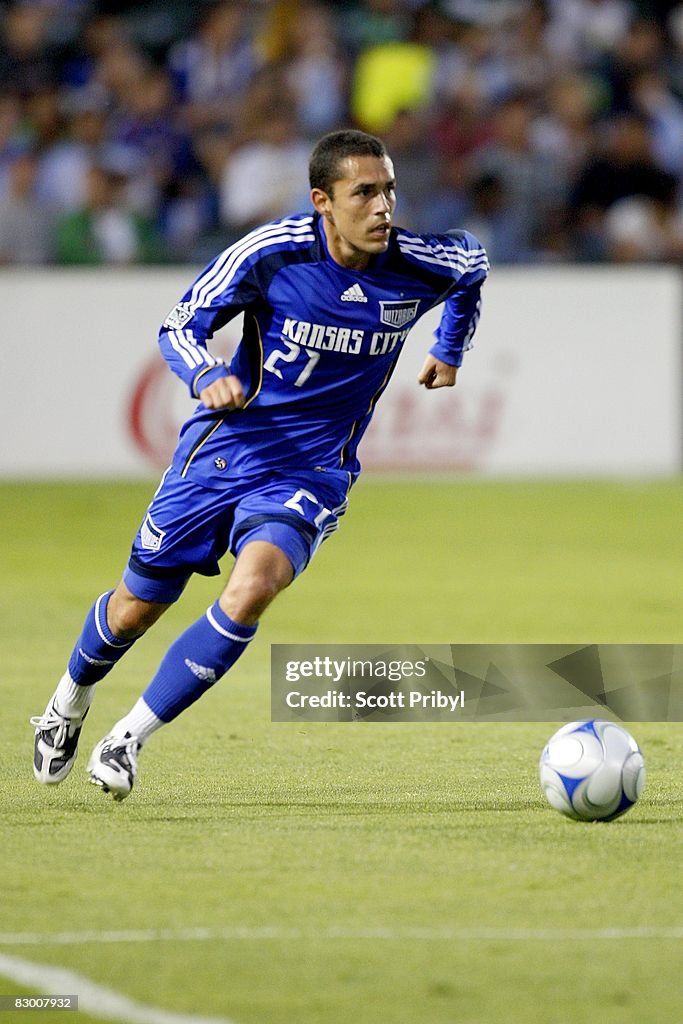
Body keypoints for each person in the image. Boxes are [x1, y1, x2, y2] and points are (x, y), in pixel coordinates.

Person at [31, 128, 488, 801]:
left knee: (253, 589)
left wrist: (449, 347)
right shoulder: (272, 253)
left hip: (312, 470)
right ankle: (67, 704)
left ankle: (128, 739)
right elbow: (180, 322)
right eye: (364, 192)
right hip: (226, 450)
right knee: (134, 609)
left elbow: (471, 267)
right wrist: (203, 373)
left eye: (388, 189)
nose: (382, 206)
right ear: (322, 201)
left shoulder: (418, 262)